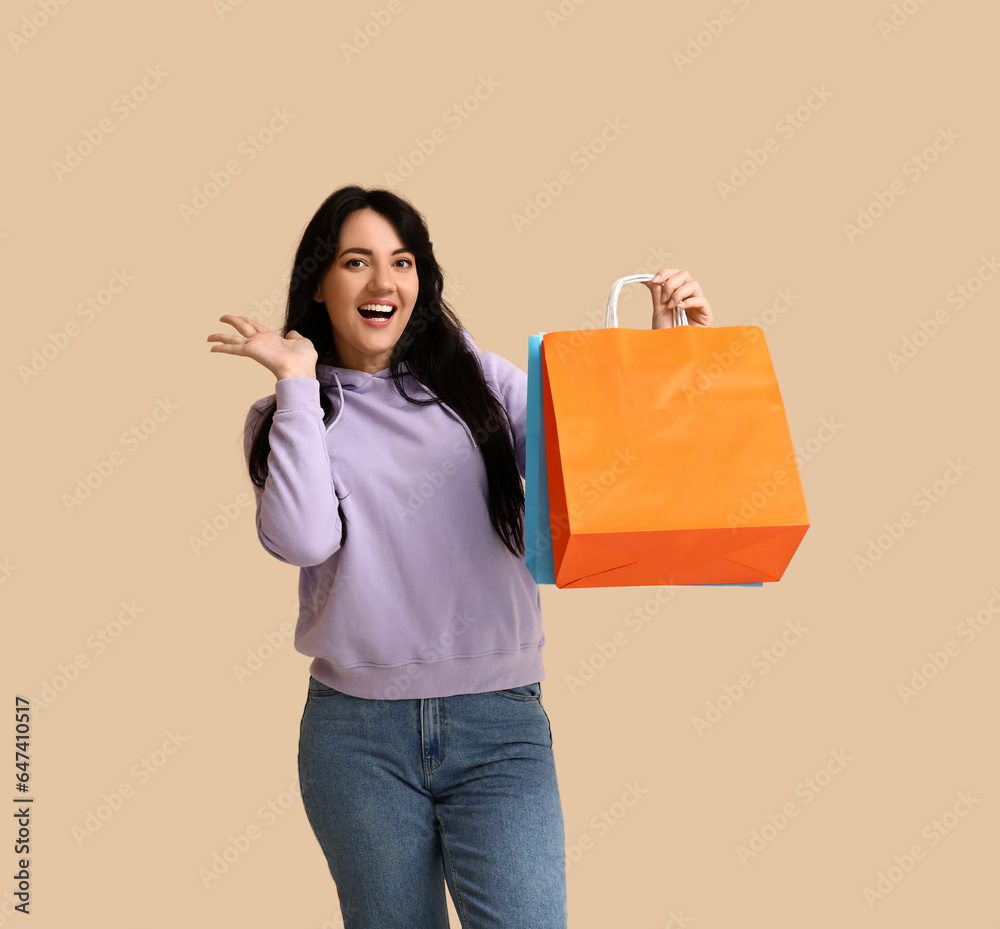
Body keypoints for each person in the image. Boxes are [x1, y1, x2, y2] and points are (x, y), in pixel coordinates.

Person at [206, 185, 712, 928]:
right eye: (357, 262)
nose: (384, 283)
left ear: (421, 279)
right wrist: (293, 383)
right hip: (356, 739)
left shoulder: (475, 377)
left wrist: (668, 353)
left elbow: (609, 469)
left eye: (402, 262)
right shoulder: (290, 415)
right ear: (320, 280)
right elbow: (303, 538)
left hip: (498, 727)